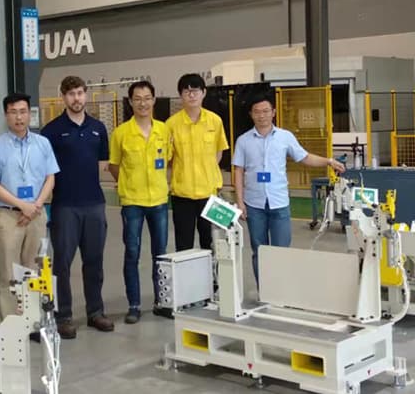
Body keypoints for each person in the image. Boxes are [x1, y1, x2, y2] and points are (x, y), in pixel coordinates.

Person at [232, 95, 345, 283]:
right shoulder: (243, 141)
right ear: (251, 114)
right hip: (254, 204)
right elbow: (238, 170)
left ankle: (281, 291)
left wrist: (328, 161)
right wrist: (240, 202)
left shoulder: (285, 137)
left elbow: (304, 157)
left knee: (282, 251)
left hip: (279, 203)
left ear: (273, 113)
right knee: (259, 250)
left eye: (265, 111)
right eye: (257, 112)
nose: (261, 115)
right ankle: (264, 292)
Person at [41, 76, 114, 339]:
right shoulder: (51, 131)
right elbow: (45, 170)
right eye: (71, 94)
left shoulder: (98, 128)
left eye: (80, 93)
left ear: (85, 95)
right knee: (62, 263)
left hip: (94, 204)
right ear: (63, 97)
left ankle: (96, 312)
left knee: (94, 261)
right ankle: (63, 316)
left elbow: (102, 163)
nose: (77, 98)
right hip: (64, 206)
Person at [0, 93, 59, 321]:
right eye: (13, 112)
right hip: (9, 216)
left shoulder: (42, 143)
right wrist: (22, 206)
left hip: (37, 214)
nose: (19, 117)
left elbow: (50, 178)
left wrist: (35, 206)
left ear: (29, 114)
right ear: (6, 115)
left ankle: (33, 320)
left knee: (34, 270)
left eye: (23, 112)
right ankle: (10, 324)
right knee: (8, 273)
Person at [109, 80, 171, 324]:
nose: (143, 103)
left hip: (159, 200)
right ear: (130, 102)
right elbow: (114, 166)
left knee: (160, 254)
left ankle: (161, 301)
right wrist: (128, 184)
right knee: (132, 253)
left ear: (154, 100)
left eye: (147, 98)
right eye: (137, 99)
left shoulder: (164, 130)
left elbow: (169, 160)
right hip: (132, 202)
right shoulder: (121, 133)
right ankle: (134, 305)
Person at [166, 73, 228, 252]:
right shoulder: (171, 124)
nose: (191, 95)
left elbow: (219, 150)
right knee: (184, 244)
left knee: (211, 243)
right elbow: (168, 159)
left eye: (195, 90)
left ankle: (212, 272)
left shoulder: (215, 121)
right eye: (186, 91)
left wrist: (208, 172)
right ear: (181, 95)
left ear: (204, 93)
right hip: (182, 194)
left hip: (210, 193)